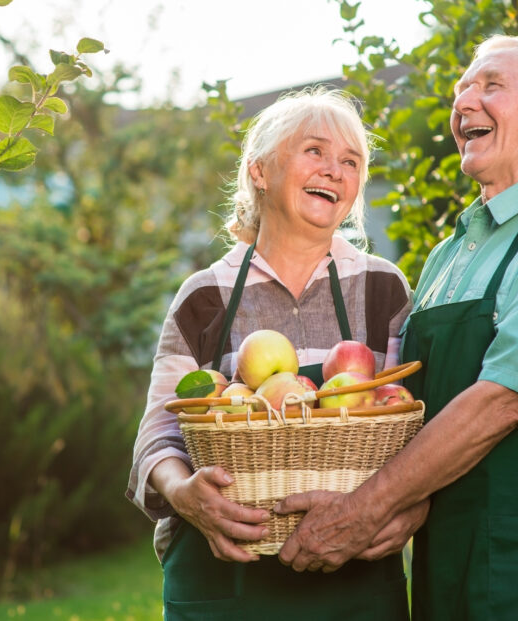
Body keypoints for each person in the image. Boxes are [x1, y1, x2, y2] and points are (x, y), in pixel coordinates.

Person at [274, 35, 518, 619]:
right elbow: (411, 402)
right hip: (445, 542)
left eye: (490, 85)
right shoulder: (447, 254)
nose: (464, 103)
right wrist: (400, 504)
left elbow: (502, 402)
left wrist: (366, 509)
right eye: (461, 90)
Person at [125, 86, 429, 619]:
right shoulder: (206, 294)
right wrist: (184, 493)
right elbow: (159, 431)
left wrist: (411, 506)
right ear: (259, 171)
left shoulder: (383, 288)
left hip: (354, 582)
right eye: (315, 151)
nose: (334, 169)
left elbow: (412, 423)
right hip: (225, 582)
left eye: (350, 161)